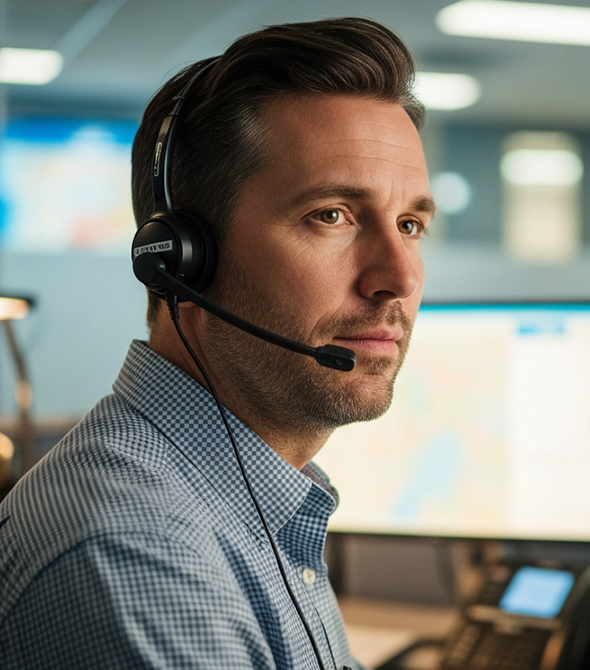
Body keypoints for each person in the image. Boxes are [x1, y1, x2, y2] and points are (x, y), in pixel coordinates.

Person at [0, 17, 433, 669]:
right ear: (181, 260)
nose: (398, 277)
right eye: (332, 216)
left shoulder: (251, 500)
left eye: (409, 224)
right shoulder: (136, 553)